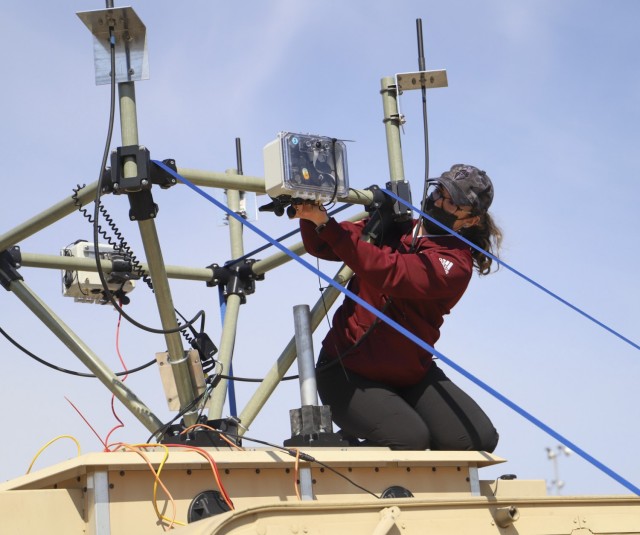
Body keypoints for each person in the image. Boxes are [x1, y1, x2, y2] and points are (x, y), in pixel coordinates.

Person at [292, 164, 501, 451]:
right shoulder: (397, 226)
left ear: (470, 220)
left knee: (477, 439)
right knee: (408, 439)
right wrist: (311, 215)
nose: (438, 201)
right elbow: (324, 245)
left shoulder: (454, 264)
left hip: (410, 374)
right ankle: (345, 456)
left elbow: (391, 272)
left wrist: (327, 225)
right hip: (348, 371)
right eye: (438, 191)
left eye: (452, 202)